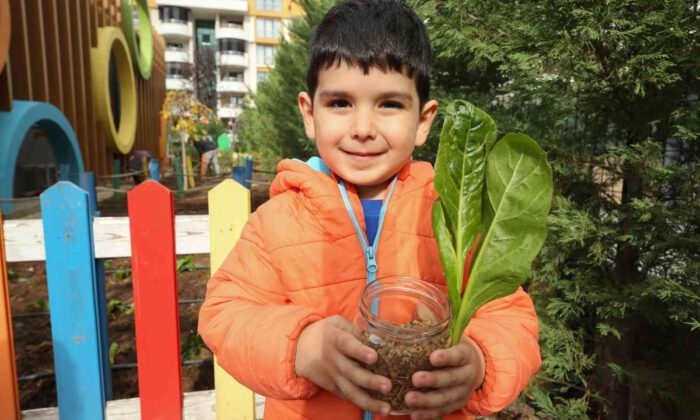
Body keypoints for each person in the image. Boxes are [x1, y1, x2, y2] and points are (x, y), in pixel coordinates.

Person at [198, 1, 541, 419]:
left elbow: (509, 314)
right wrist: (300, 347)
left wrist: (481, 360)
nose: (362, 127)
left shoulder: (452, 216)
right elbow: (226, 315)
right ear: (310, 114)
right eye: (340, 103)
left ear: (423, 121)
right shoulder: (278, 221)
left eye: (390, 104)